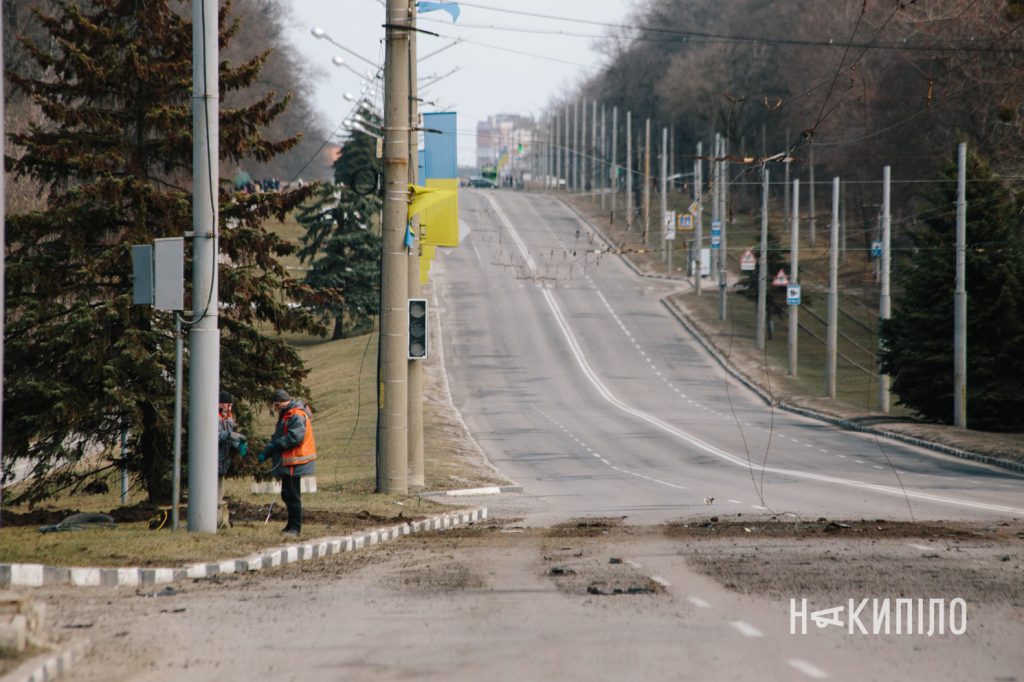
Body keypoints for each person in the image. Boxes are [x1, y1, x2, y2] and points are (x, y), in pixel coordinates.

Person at [258, 389, 317, 537]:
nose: (274, 408)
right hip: (290, 461)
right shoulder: (287, 414)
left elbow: (294, 438)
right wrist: (270, 448)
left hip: (294, 461)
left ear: (279, 403)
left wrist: (274, 445)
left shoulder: (296, 415)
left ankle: (295, 528)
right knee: (287, 494)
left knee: (292, 496)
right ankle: (290, 526)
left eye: (275, 405)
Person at [218, 390, 247, 528]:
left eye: (230, 405)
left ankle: (219, 519)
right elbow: (211, 435)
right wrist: (229, 435)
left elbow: (229, 437)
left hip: (223, 461)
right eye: (227, 404)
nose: (229, 407)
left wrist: (237, 443)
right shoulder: (213, 416)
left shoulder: (228, 418)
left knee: (219, 493)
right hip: (213, 460)